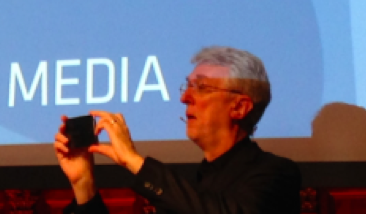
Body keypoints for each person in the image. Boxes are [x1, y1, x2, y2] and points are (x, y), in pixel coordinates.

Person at [54, 46, 301, 214]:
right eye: (188, 86)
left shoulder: (276, 175)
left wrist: (132, 159)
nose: (184, 97)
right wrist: (84, 184)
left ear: (239, 107)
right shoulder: (190, 188)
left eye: (201, 87)